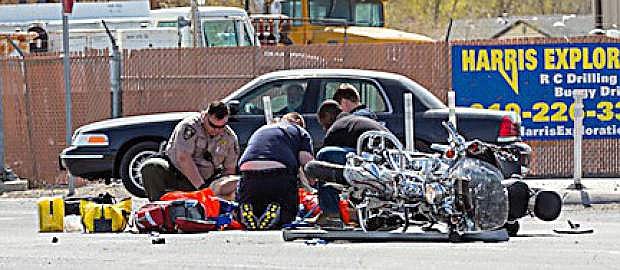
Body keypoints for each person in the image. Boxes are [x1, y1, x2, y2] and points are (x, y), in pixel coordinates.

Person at [141, 101, 240, 202]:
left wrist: (220, 188)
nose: (216, 130)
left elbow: (229, 170)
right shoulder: (189, 127)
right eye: (212, 125)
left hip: (207, 180)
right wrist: (201, 188)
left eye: (221, 127)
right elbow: (183, 158)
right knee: (151, 167)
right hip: (177, 174)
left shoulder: (229, 138)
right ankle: (159, 208)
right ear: (205, 116)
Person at [314, 100, 388, 227]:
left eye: (323, 124)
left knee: (324, 158)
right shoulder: (353, 120)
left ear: (327, 116)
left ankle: (331, 214)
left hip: (372, 160)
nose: (323, 128)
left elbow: (326, 169)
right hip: (387, 158)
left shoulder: (336, 127)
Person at [237, 112, 314, 230]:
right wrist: (313, 182)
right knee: (288, 211)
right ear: (298, 123)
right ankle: (279, 215)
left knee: (256, 202)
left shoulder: (262, 129)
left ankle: (250, 209)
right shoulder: (299, 131)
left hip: (248, 174)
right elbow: (308, 163)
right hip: (278, 174)